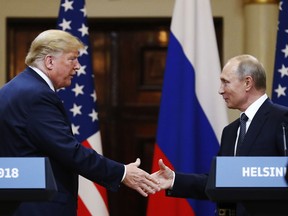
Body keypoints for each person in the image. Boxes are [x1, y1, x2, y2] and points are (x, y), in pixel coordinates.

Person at [0, 29, 160, 216]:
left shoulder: (13, 88)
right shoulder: (37, 95)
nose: (77, 66)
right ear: (49, 61)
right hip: (39, 207)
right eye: (72, 59)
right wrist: (122, 173)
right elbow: (68, 151)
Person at [152, 54, 288, 216]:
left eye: (225, 82)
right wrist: (173, 179)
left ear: (247, 83)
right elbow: (219, 181)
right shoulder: (230, 132)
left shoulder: (281, 119)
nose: (220, 90)